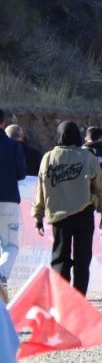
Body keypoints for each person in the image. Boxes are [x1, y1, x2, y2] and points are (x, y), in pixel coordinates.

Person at [33, 121, 102, 295]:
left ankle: (62, 300)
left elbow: (41, 189)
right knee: (82, 261)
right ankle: (78, 300)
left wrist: (38, 217)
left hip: (59, 217)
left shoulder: (48, 158)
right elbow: (101, 188)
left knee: (59, 260)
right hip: (84, 215)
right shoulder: (87, 157)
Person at [0, 111, 27, 299]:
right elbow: (21, 173)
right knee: (10, 245)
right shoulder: (12, 145)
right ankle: (1, 274)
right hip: (7, 200)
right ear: (3, 123)